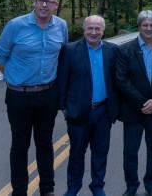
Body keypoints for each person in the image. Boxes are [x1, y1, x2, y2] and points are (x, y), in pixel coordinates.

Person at [0, 0, 68, 196]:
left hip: (47, 95)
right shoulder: (16, 26)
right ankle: (19, 191)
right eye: (41, 0)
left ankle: (47, 190)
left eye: (49, 2)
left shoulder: (61, 26)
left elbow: (62, 58)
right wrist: (14, 77)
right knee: (20, 146)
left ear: (56, 5)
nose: (44, 5)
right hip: (19, 96)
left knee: (45, 144)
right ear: (34, 2)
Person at [57, 15, 119, 196]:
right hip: (78, 112)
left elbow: (117, 81)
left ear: (103, 30)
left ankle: (98, 187)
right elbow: (62, 80)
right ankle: (73, 188)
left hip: (103, 111)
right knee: (77, 154)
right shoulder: (69, 50)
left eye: (97, 29)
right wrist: (64, 107)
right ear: (84, 29)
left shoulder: (112, 50)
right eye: (90, 28)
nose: (93, 32)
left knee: (100, 153)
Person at [115, 10, 152, 196]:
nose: (148, 28)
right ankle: (131, 186)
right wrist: (143, 103)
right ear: (139, 26)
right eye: (145, 25)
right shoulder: (124, 50)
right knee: (130, 152)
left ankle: (151, 184)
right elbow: (121, 80)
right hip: (133, 111)